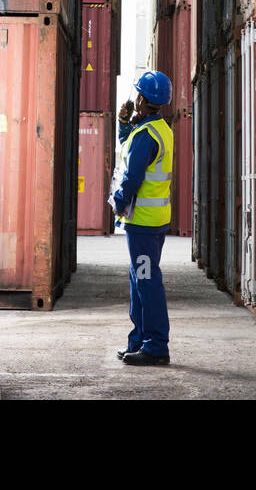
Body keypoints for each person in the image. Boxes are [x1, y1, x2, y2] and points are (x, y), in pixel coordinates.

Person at [112, 71, 174, 366]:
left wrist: (119, 203)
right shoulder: (159, 130)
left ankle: (156, 346)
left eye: (138, 93)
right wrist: (124, 125)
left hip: (142, 222)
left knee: (147, 281)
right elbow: (130, 152)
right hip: (154, 220)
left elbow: (132, 175)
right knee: (140, 279)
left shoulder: (146, 136)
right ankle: (138, 340)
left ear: (142, 99)